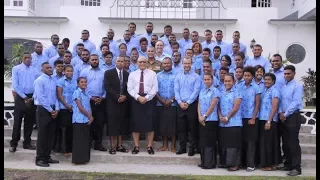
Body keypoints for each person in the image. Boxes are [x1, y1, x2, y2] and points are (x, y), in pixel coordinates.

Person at [127, 56, 158, 155]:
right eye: (140, 62)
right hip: (136, 100)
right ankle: (136, 146)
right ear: (137, 63)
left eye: (144, 62)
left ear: (147, 63)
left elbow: (155, 88)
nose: (142, 64)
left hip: (149, 100)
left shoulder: (153, 74)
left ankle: (149, 146)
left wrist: (147, 98)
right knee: (135, 124)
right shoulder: (132, 74)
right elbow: (130, 88)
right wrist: (138, 97)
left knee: (151, 124)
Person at [10, 52, 39, 153]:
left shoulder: (35, 70)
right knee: (17, 122)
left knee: (29, 122)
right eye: (26, 58)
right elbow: (15, 85)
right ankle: (14, 144)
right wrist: (24, 97)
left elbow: (37, 85)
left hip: (31, 98)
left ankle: (27, 143)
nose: (28, 59)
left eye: (29, 58)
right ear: (22, 58)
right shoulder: (16, 69)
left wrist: (33, 97)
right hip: (20, 97)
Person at [278, 65, 303, 176]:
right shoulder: (283, 87)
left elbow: (296, 102)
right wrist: (280, 113)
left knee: (293, 143)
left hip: (293, 116)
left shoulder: (297, 86)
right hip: (283, 117)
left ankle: (296, 168)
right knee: (285, 143)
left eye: (289, 73)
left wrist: (286, 114)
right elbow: (279, 101)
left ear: (294, 74)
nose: (286, 75)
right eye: (285, 73)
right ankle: (288, 164)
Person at [33, 62, 60, 167]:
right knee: (43, 135)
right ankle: (39, 159)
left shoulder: (54, 80)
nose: (50, 69)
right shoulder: (39, 81)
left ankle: (47, 156)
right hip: (43, 110)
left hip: (53, 109)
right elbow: (41, 98)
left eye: (50, 67)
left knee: (51, 135)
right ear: (42, 69)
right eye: (47, 68)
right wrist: (50, 110)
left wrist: (56, 109)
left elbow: (56, 96)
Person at [174, 56, 201, 156]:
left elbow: (196, 91)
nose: (187, 65)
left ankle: (192, 148)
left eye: (188, 63)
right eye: (185, 63)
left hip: (191, 105)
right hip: (180, 104)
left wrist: (188, 102)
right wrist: (180, 102)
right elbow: (176, 90)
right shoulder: (178, 76)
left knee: (192, 128)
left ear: (191, 64)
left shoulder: (196, 77)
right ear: (182, 64)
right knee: (181, 128)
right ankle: (182, 148)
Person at [80, 54, 107, 151]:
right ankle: (88, 143)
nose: (95, 61)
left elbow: (106, 87)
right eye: (93, 60)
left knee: (100, 124)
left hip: (100, 101)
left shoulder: (104, 72)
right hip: (88, 101)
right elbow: (81, 86)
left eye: (96, 60)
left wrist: (103, 97)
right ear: (89, 61)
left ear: (99, 61)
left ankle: (98, 144)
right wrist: (90, 98)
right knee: (89, 123)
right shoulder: (84, 72)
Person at [104, 56, 130, 155]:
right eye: (118, 61)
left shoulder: (127, 74)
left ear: (124, 63)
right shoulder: (108, 73)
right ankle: (113, 146)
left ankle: (120, 145)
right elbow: (107, 86)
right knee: (112, 124)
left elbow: (130, 88)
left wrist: (125, 97)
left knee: (121, 124)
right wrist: (117, 97)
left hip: (123, 103)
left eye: (122, 61)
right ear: (115, 62)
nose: (120, 63)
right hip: (112, 102)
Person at [218, 73, 242, 171]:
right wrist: (220, 116)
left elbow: (236, 107)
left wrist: (227, 117)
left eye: (229, 81)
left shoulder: (237, 92)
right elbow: (217, 106)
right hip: (222, 123)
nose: (227, 83)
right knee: (224, 143)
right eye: (225, 81)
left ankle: (235, 164)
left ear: (234, 81)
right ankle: (225, 163)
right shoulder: (221, 91)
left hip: (234, 122)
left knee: (233, 144)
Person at [240, 66, 262, 172]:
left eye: (248, 75)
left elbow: (258, 104)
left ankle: (251, 164)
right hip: (241, 118)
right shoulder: (240, 86)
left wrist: (253, 117)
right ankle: (243, 163)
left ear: (252, 76)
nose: (246, 77)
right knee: (243, 141)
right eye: (245, 75)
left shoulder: (256, 88)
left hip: (252, 118)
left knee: (251, 142)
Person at [197, 73, 220, 169]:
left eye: (208, 79)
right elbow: (199, 104)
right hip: (201, 120)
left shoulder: (215, 91)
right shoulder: (202, 91)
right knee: (203, 141)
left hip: (211, 119)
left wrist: (205, 116)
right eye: (205, 79)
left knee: (209, 142)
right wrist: (199, 116)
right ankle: (203, 162)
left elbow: (213, 105)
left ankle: (210, 163)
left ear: (212, 80)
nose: (206, 81)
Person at [259, 73, 281, 171]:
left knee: (270, 143)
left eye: (269, 79)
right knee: (264, 142)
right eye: (265, 79)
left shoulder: (275, 91)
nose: (266, 81)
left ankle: (270, 164)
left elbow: (275, 107)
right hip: (262, 119)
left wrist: (269, 121)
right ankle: (265, 163)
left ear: (273, 81)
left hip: (270, 120)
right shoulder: (264, 90)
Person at [156, 57, 177, 153]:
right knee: (163, 125)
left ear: (171, 63)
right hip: (161, 104)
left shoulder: (177, 75)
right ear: (162, 65)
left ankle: (173, 146)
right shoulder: (158, 75)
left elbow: (179, 90)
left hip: (173, 104)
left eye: (168, 63)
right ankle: (164, 146)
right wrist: (161, 100)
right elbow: (155, 90)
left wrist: (171, 100)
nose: (166, 65)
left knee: (173, 126)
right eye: (164, 63)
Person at [55, 65, 77, 156]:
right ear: (64, 71)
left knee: (70, 130)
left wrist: (73, 106)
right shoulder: (60, 81)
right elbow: (59, 95)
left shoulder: (75, 82)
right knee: (62, 129)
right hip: (63, 108)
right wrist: (66, 105)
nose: (69, 72)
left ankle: (69, 149)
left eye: (71, 71)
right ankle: (60, 149)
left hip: (73, 108)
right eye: (67, 71)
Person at [72, 77, 94, 164]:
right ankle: (78, 160)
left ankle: (84, 159)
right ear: (78, 84)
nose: (84, 83)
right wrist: (89, 116)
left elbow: (88, 106)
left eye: (85, 82)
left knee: (85, 141)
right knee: (79, 141)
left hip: (86, 120)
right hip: (79, 120)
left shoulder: (86, 93)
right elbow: (80, 107)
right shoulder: (77, 93)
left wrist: (91, 117)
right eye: (81, 82)